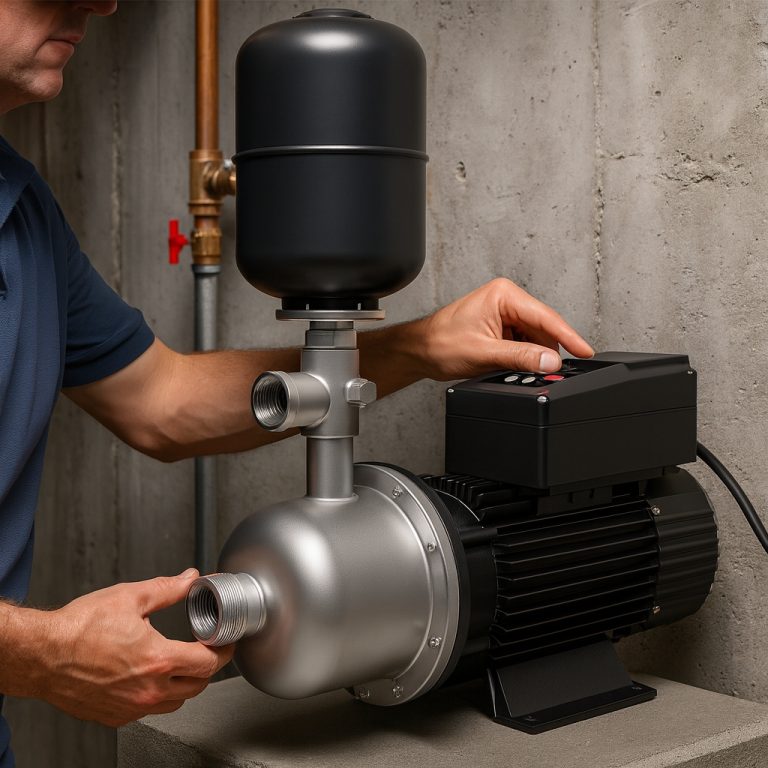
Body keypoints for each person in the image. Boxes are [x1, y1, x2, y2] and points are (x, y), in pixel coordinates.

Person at [0, 0, 594, 765]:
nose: (102, 3)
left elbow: (162, 402)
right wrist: (41, 654)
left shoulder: (23, 213)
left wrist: (414, 346)